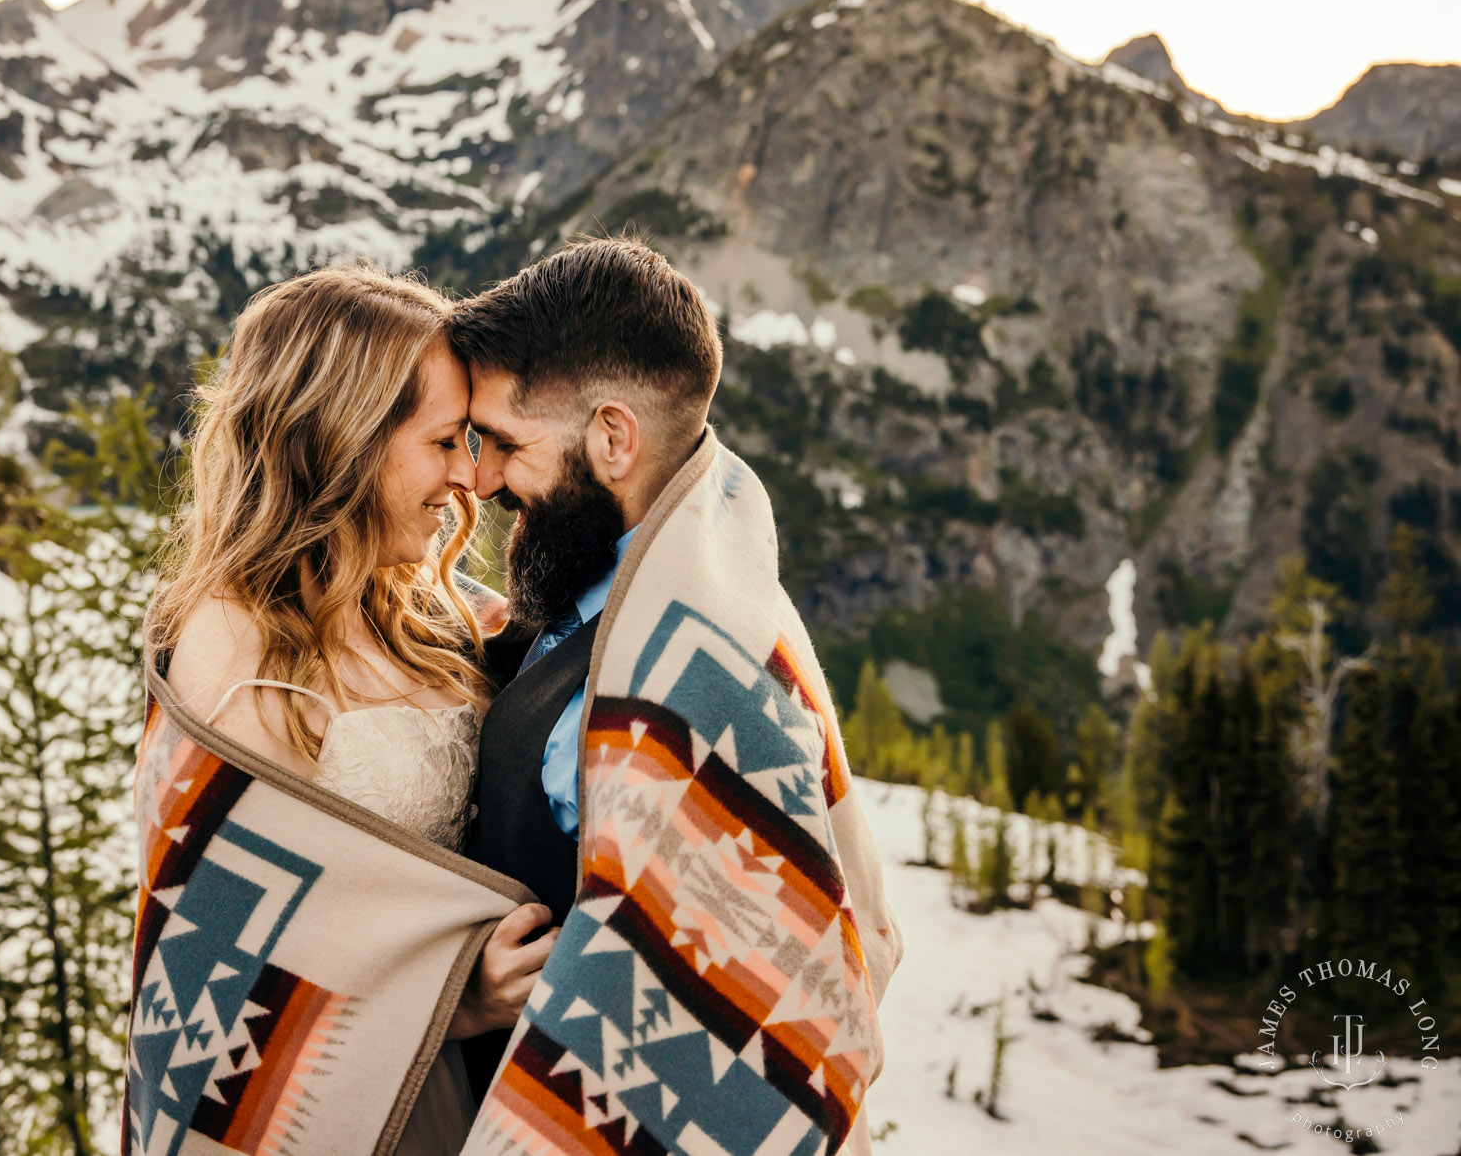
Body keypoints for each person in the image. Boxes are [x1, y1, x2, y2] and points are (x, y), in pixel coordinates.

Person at [450, 238, 904, 1156]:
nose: (485, 479)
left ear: (614, 438)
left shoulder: (683, 696)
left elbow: (679, 1028)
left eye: (504, 442)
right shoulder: (667, 578)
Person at [127, 261, 548, 1156]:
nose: (467, 483)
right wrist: (457, 998)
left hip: (473, 1076)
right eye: (443, 444)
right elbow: (233, 969)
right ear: (345, 442)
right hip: (349, 1100)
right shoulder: (235, 651)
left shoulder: (415, 604)